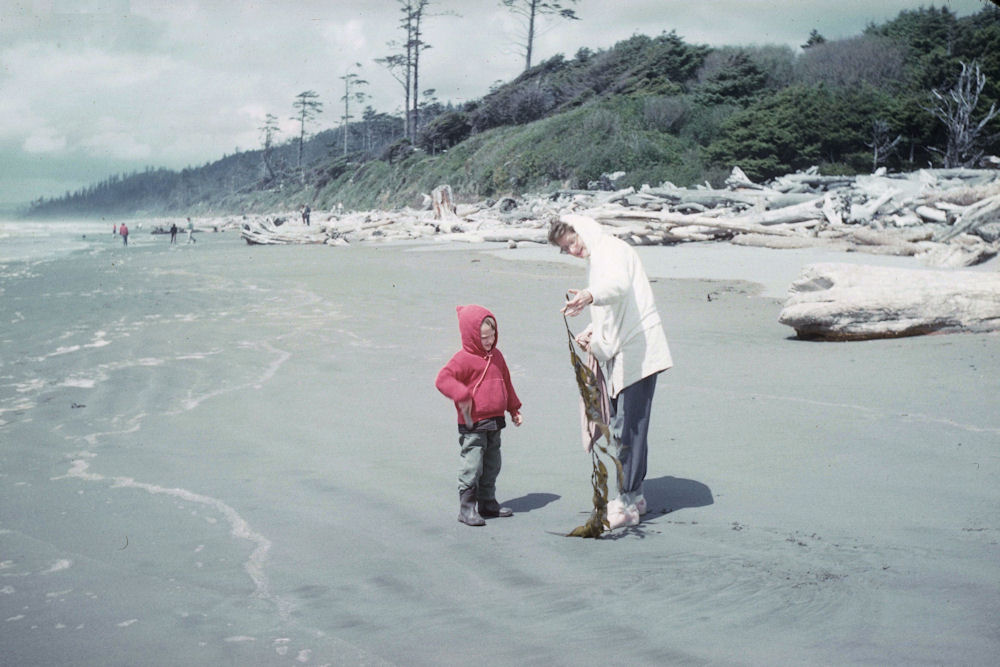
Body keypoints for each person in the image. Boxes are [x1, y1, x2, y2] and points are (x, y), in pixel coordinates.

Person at [549, 214, 672, 530]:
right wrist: (592, 328)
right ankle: (636, 495)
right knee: (626, 424)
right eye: (565, 249)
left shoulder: (610, 250)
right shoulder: (599, 256)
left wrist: (589, 295)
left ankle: (628, 502)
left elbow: (616, 288)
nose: (572, 251)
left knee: (627, 427)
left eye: (572, 243)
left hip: (638, 350)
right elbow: (614, 305)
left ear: (582, 230)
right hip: (624, 349)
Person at [436, 305, 524, 526]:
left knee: (493, 463)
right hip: (472, 422)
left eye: (492, 335)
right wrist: (460, 393)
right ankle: (466, 508)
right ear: (471, 335)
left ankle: (487, 502)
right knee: (472, 464)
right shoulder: (463, 358)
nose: (489, 340)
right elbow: (443, 379)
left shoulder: (497, 356)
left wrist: (514, 409)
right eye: (484, 336)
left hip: (495, 421)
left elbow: (507, 383)